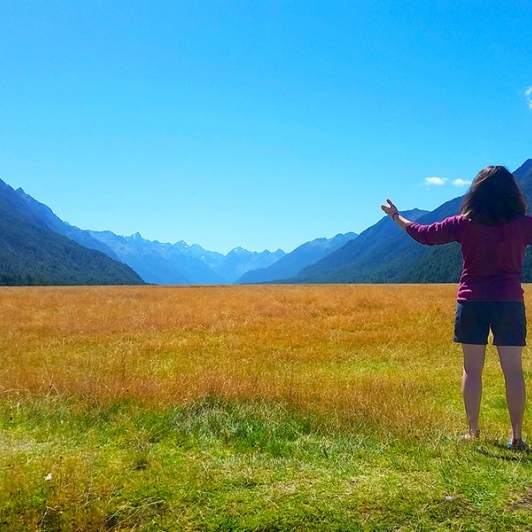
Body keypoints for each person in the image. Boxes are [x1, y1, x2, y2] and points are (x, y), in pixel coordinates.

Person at [381, 165, 531, 449]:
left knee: (471, 371)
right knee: (513, 371)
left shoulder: (463, 223)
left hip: (471, 301)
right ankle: (517, 437)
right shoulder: (523, 225)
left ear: (476, 192)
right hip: (509, 302)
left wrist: (395, 216)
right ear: (513, 192)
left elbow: (423, 233)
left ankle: (473, 432)